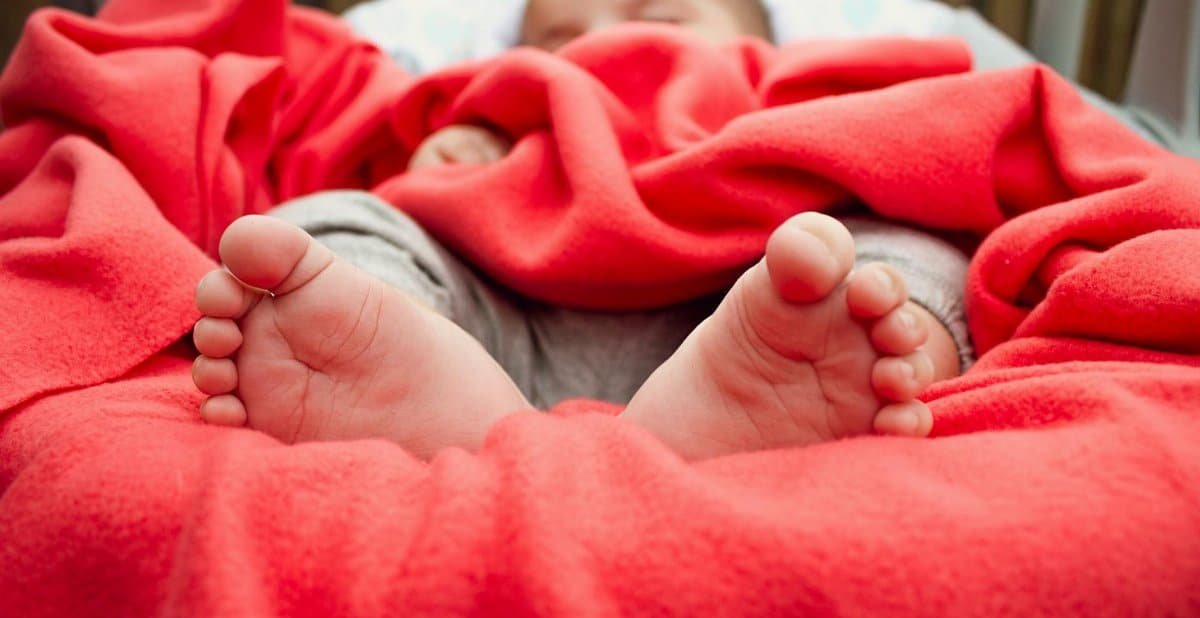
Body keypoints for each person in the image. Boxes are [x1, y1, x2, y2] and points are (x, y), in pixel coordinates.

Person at [189, 0, 973, 461]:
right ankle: (378, 352)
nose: (610, 38)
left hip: (754, 311)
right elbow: (418, 164)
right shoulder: (496, 101)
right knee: (350, 228)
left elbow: (918, 146)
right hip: (484, 325)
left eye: (668, 14)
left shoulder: (798, 92)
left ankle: (855, 356)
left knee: (897, 250)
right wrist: (453, 154)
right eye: (566, 34)